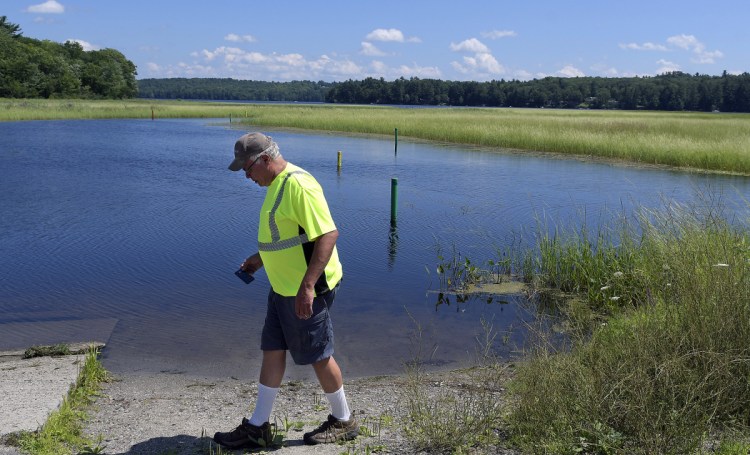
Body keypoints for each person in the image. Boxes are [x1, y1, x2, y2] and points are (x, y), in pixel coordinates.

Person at [213, 132, 357, 450]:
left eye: (248, 169)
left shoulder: (298, 185)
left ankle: (344, 420)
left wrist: (307, 287)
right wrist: (260, 259)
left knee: (318, 354)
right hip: (282, 287)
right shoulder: (275, 185)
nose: (246, 176)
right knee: (273, 349)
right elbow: (290, 237)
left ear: (264, 159)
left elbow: (328, 234)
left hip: (305, 289)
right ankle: (258, 427)